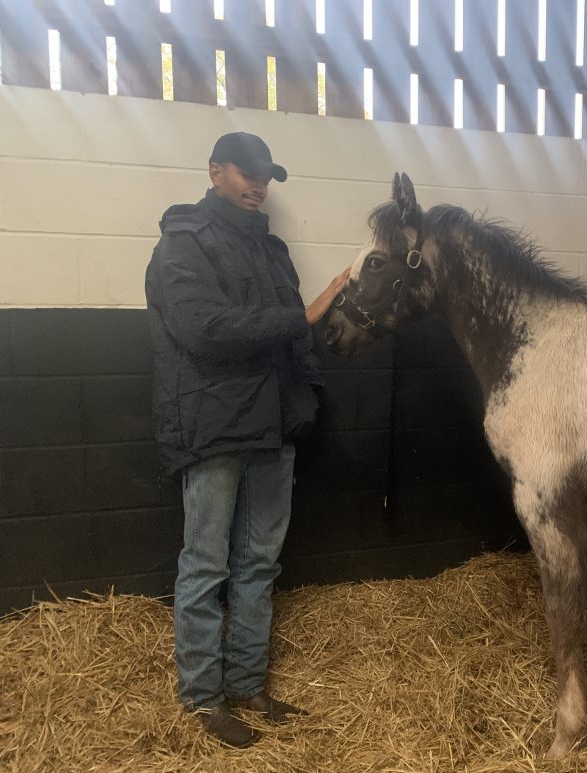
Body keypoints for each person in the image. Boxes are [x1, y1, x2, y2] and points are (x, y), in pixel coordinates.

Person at [145, 131, 347, 747]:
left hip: (272, 424)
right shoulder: (183, 243)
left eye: (265, 176)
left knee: (258, 562)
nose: (258, 185)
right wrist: (302, 316)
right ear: (215, 171)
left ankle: (247, 683)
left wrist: (305, 398)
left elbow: (293, 339)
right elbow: (204, 329)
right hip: (213, 425)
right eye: (246, 172)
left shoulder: (272, 249)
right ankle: (202, 697)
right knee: (206, 564)